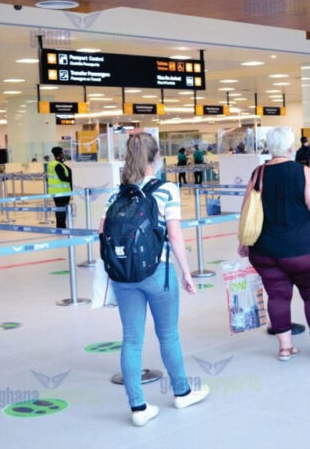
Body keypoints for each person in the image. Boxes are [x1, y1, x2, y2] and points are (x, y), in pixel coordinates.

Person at [100, 133, 208, 427]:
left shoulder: (116, 194)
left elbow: (102, 232)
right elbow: (174, 235)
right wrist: (186, 273)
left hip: (123, 276)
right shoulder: (166, 190)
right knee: (168, 335)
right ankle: (182, 392)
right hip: (157, 273)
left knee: (132, 340)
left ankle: (138, 407)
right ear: (156, 157)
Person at [237, 128, 310, 362]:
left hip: (265, 249)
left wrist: (243, 241)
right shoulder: (302, 171)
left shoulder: (258, 173)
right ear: (292, 148)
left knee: (277, 296)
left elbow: (246, 210)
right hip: (305, 249)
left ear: (269, 147)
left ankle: (285, 348)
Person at [47, 147, 73, 229]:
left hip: (57, 192)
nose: (63, 154)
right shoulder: (57, 165)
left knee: (60, 210)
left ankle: (60, 226)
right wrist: (73, 179)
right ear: (59, 154)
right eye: (62, 153)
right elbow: (63, 178)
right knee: (61, 210)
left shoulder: (53, 164)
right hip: (62, 192)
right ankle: (61, 227)